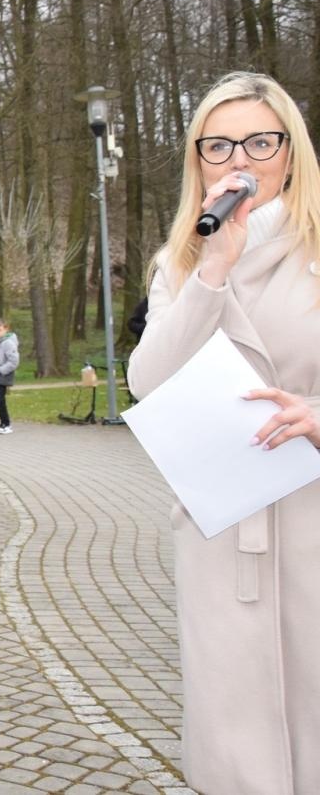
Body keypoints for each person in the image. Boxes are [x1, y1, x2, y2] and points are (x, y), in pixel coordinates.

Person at [127, 71, 320, 795]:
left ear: (290, 153)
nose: (240, 158)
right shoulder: (182, 265)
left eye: (259, 141)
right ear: (199, 161)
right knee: (239, 748)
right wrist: (213, 270)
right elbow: (151, 379)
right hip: (227, 537)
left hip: (312, 521)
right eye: (219, 144)